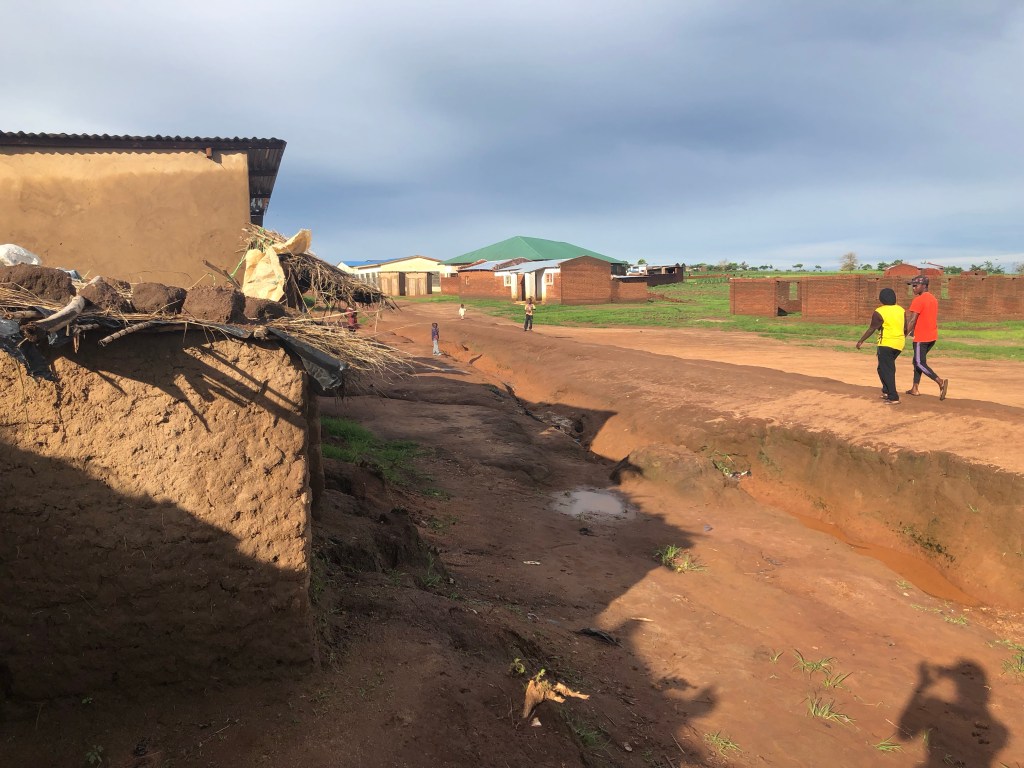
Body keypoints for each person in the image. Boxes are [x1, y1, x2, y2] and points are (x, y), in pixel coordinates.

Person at [856, 287, 905, 404]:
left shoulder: (879, 311)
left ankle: (893, 397)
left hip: (886, 343)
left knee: (887, 370)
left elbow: (872, 328)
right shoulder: (901, 310)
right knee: (882, 368)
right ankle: (886, 391)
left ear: (881, 299)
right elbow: (905, 327)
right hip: (899, 343)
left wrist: (861, 341)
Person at [905, 275, 949, 400]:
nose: (913, 288)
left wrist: (903, 335)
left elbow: (912, 320)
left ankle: (940, 381)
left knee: (919, 362)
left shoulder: (918, 300)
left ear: (924, 286)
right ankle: (915, 388)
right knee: (917, 361)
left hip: (921, 337)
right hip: (932, 336)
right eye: (912, 286)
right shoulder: (933, 299)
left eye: (915, 285)